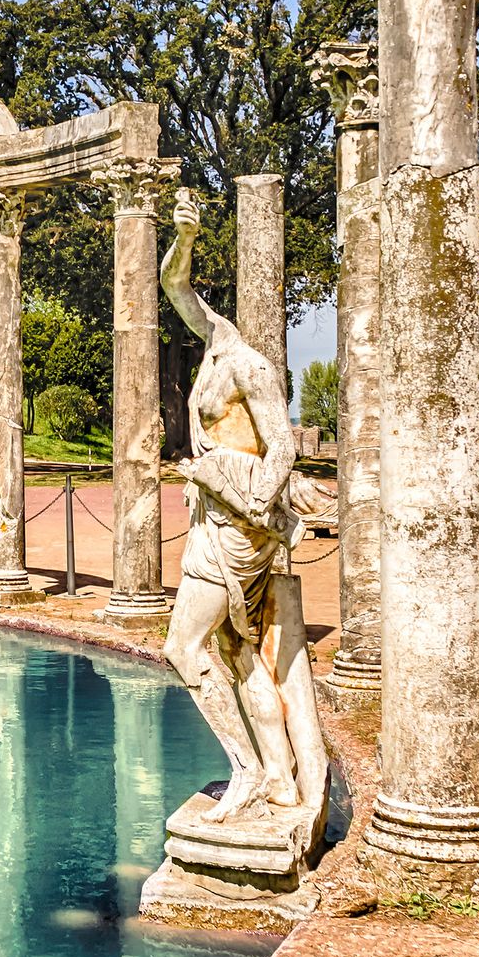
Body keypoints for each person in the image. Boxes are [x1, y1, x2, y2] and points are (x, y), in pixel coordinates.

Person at [159, 188, 308, 823]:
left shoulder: (252, 369)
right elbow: (175, 288)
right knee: (236, 653)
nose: (196, 318)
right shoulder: (218, 342)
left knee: (183, 648)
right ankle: (279, 777)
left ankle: (246, 770)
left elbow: (283, 451)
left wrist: (242, 498)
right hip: (212, 520)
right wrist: (186, 238)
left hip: (237, 528)